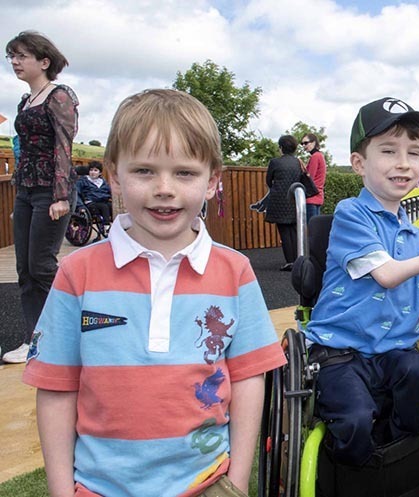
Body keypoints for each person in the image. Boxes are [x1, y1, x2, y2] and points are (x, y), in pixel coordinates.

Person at [22, 88, 287, 497]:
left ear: (213, 180)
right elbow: (57, 388)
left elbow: (249, 379)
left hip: (207, 484)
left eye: (184, 172)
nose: (164, 188)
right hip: (98, 488)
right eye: (144, 171)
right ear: (113, 174)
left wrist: (236, 480)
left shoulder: (235, 271)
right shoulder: (78, 272)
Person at [305, 97, 419, 467]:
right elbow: (387, 275)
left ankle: (398, 463)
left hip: (395, 352)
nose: (404, 163)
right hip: (342, 352)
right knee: (356, 419)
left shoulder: (417, 237)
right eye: (388, 151)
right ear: (359, 163)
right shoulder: (351, 214)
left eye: (413, 152)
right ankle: (359, 477)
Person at [4, 31, 78, 364]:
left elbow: (63, 146)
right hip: (28, 191)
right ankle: (35, 338)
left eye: (21, 56)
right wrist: (19, 198)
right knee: (25, 270)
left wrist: (60, 196)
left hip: (53, 190)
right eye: (12, 57)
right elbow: (26, 151)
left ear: (44, 61)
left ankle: (65, 331)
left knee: (42, 266)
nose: (15, 62)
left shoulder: (59, 96)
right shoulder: (24, 101)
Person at [265, 135, 302, 271]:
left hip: (279, 200)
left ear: (281, 148)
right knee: (294, 230)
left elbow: (269, 181)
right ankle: (299, 259)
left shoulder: (275, 162)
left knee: (284, 231)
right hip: (295, 199)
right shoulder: (298, 162)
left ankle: (290, 262)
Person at [76, 160, 113, 229]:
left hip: (104, 201)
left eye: (95, 170)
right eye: (91, 170)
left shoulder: (103, 181)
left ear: (100, 173)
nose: (93, 172)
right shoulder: (83, 181)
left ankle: (118, 226)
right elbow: (76, 193)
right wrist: (80, 206)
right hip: (91, 203)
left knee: (111, 206)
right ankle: (106, 226)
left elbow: (110, 192)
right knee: (104, 206)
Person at [300, 132, 326, 221]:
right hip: (318, 196)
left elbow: (309, 177)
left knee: (312, 230)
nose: (304, 145)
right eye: (302, 144)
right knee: (315, 229)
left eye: (306, 143)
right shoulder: (320, 155)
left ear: (314, 142)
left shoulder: (315, 157)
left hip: (311, 198)